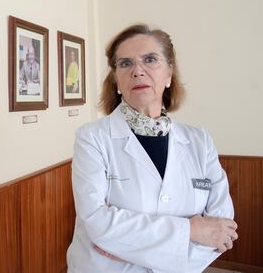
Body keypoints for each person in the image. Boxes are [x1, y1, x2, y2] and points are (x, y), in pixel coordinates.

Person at [67, 24, 238, 272]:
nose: (137, 71)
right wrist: (191, 230)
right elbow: (96, 222)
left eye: (150, 59)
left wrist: (127, 246)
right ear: (116, 78)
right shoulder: (92, 138)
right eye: (125, 63)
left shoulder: (200, 141)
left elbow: (221, 227)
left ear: (169, 74)